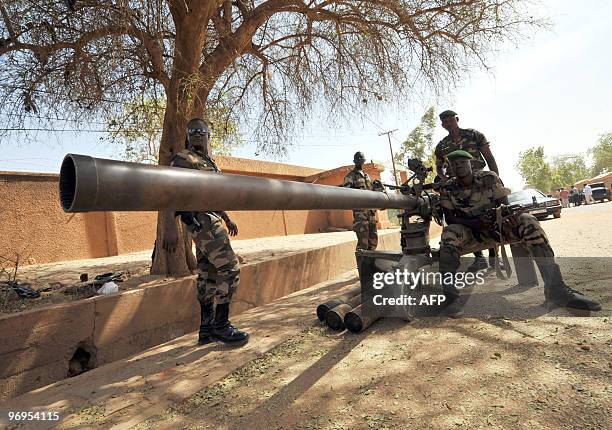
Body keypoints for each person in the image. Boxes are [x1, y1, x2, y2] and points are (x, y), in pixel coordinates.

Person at [437, 150, 600, 316]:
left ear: (471, 164)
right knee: (450, 234)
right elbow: (450, 218)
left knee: (528, 221)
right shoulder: (447, 188)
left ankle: (556, 290)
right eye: (454, 164)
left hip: (497, 228)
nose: (458, 166)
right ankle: (450, 298)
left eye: (462, 162)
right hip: (471, 232)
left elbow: (504, 206)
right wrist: (476, 223)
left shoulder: (489, 178)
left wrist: (508, 219)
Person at [162, 118, 249, 346]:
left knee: (207, 274)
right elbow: (169, 190)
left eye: (201, 131)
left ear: (208, 135)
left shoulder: (207, 160)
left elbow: (213, 194)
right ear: (188, 136)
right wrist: (169, 227)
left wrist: (227, 217)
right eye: (193, 131)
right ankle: (221, 326)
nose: (197, 134)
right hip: (201, 220)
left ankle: (206, 329)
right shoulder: (183, 159)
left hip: (212, 217)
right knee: (230, 268)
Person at [434, 110, 500, 272]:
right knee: (465, 216)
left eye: (450, 120)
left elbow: (489, 158)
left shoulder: (474, 135)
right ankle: (479, 259)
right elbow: (439, 167)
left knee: (489, 213)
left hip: (480, 182)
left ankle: (494, 256)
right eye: (444, 122)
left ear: (456, 119)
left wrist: (494, 177)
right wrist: (445, 181)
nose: (447, 123)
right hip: (459, 186)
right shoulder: (442, 145)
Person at [343, 151, 380, 250]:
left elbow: (373, 192)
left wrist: (378, 187)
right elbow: (346, 194)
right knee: (363, 244)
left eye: (361, 158)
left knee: (373, 242)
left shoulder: (367, 176)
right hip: (360, 215)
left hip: (371, 214)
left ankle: (371, 264)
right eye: (357, 158)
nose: (359, 160)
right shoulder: (350, 177)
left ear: (364, 160)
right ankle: (362, 265)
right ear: (354, 161)